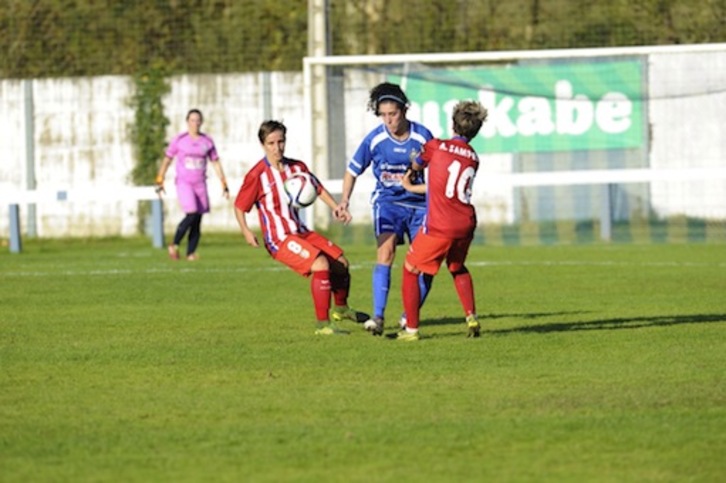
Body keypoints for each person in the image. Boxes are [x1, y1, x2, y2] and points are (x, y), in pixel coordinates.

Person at [234, 120, 367, 335]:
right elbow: (240, 206)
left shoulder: (297, 167)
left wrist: (335, 208)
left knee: (341, 263)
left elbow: (317, 187)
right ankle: (323, 325)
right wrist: (246, 231)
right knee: (320, 264)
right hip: (279, 238)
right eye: (271, 143)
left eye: (281, 141)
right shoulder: (257, 175)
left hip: (300, 231)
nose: (277, 148)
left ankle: (341, 309)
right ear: (263, 145)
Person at [334, 82, 434, 336]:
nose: (389, 120)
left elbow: (439, 170)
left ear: (404, 110)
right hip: (388, 204)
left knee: (424, 262)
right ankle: (378, 317)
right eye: (384, 115)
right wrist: (344, 200)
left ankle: (407, 316)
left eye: (394, 114)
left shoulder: (423, 137)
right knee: (385, 252)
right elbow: (352, 170)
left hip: (420, 206)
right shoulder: (376, 139)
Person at [397, 100, 489, 341]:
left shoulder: (436, 146)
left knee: (410, 269)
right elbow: (444, 188)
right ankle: (471, 316)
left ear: (453, 123)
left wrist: (411, 171)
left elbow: (418, 163)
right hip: (466, 223)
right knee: (457, 267)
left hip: (440, 225)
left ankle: (411, 329)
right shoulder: (473, 157)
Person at [155, 108, 229, 261]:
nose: (195, 123)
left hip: (200, 183)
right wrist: (160, 179)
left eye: (198, 120)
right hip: (184, 182)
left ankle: (190, 253)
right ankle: (174, 244)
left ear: (201, 122)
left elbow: (215, 161)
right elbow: (167, 159)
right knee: (192, 212)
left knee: (198, 218)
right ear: (187, 122)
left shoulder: (207, 141)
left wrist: (223, 182)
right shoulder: (180, 140)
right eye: (192, 120)